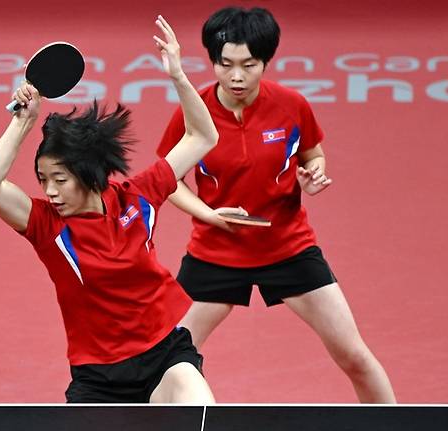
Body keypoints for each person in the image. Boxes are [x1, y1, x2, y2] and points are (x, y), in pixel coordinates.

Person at [155, 6, 396, 403]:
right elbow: (167, 179)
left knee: (353, 355)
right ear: (213, 61)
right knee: (162, 361)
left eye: (248, 65)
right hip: (216, 253)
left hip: (288, 248)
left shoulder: (291, 105)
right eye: (225, 64)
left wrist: (313, 176)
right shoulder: (193, 112)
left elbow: (313, 154)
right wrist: (208, 214)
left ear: (265, 61)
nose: (236, 76)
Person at [0, 16, 218, 403]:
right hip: (98, 379)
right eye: (42, 180)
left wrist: (178, 75)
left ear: (88, 174)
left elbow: (202, 136)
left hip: (165, 357)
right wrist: (23, 124)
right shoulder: (47, 226)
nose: (50, 191)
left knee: (200, 409)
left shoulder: (136, 197)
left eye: (60, 179)